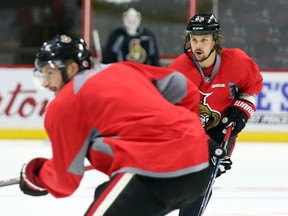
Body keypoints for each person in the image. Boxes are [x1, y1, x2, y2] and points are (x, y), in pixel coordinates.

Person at [19, 34, 228, 216]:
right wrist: (188, 135)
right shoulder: (123, 69)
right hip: (199, 169)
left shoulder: (65, 103)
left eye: (49, 72)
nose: (46, 83)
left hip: (152, 172)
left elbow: (65, 181)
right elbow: (183, 87)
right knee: (104, 194)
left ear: (72, 68)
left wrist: (36, 174)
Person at [168, 13, 263, 216]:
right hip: (188, 134)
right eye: (194, 39)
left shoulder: (237, 61)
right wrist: (205, 144)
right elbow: (176, 118)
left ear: (215, 41)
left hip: (222, 130)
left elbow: (253, 84)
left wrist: (243, 107)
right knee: (186, 179)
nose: (198, 45)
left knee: (204, 177)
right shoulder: (178, 70)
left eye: (204, 39)